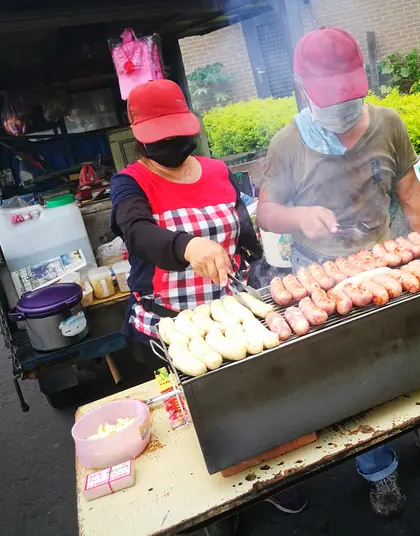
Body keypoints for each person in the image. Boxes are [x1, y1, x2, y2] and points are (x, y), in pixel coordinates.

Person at [257, 27, 420, 518]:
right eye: (331, 96)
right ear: (302, 85)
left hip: (386, 261)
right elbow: (266, 212)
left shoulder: (388, 124)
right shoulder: (288, 143)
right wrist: (298, 216)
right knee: (357, 377)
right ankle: (379, 470)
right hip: (322, 277)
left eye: (349, 94)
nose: (342, 107)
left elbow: (411, 192)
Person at [109, 79, 306, 514]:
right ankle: (205, 498)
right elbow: (138, 232)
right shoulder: (129, 183)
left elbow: (245, 232)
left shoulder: (218, 171)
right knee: (191, 421)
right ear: (139, 135)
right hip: (168, 324)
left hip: (232, 312)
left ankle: (269, 474)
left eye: (178, 132)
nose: (172, 142)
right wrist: (186, 246)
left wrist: (264, 261)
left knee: (252, 398)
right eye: (159, 137)